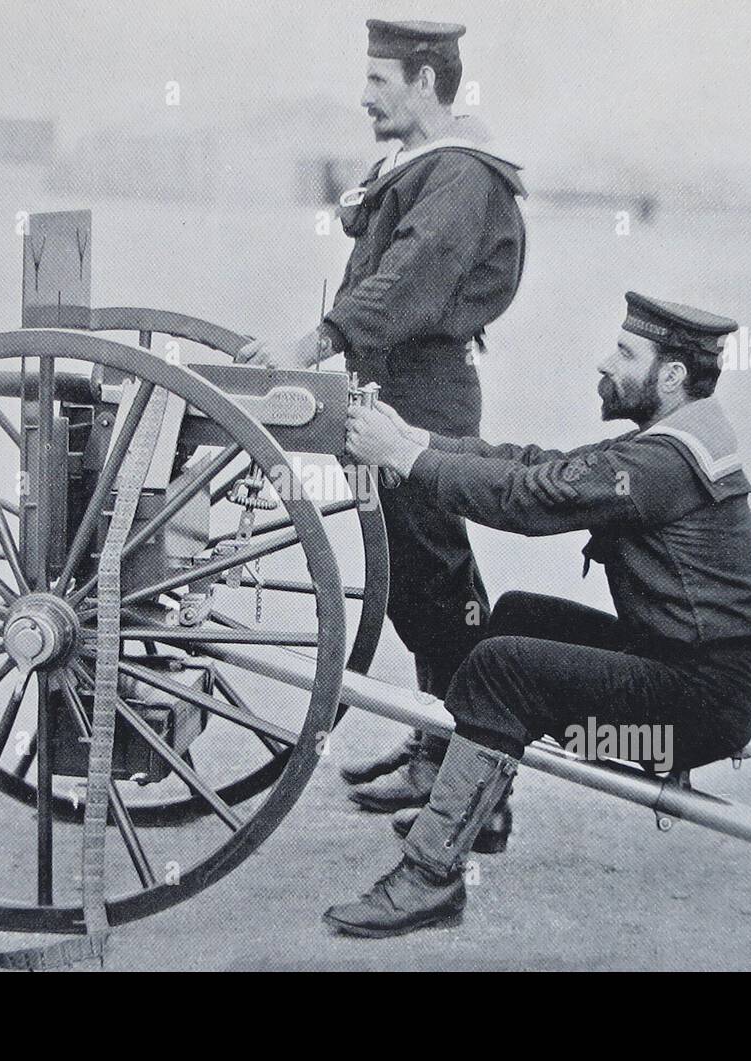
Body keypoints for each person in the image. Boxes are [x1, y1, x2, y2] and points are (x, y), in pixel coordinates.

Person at [323, 292, 751, 937]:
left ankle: (429, 879)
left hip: (698, 713)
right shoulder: (677, 440)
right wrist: (418, 440)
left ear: (672, 375)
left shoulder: (660, 463)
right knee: (515, 617)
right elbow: (540, 466)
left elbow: (532, 499)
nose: (605, 363)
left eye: (625, 354)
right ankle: (480, 812)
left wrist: (408, 462)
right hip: (694, 673)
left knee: (501, 667)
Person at [236, 19, 528, 816]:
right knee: (416, 579)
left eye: (379, 80)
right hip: (391, 385)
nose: (365, 98)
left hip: (422, 395)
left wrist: (315, 340)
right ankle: (442, 737)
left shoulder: (461, 174)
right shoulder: (420, 166)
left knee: (432, 578)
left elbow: (406, 277)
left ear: (425, 81)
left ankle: (473, 785)